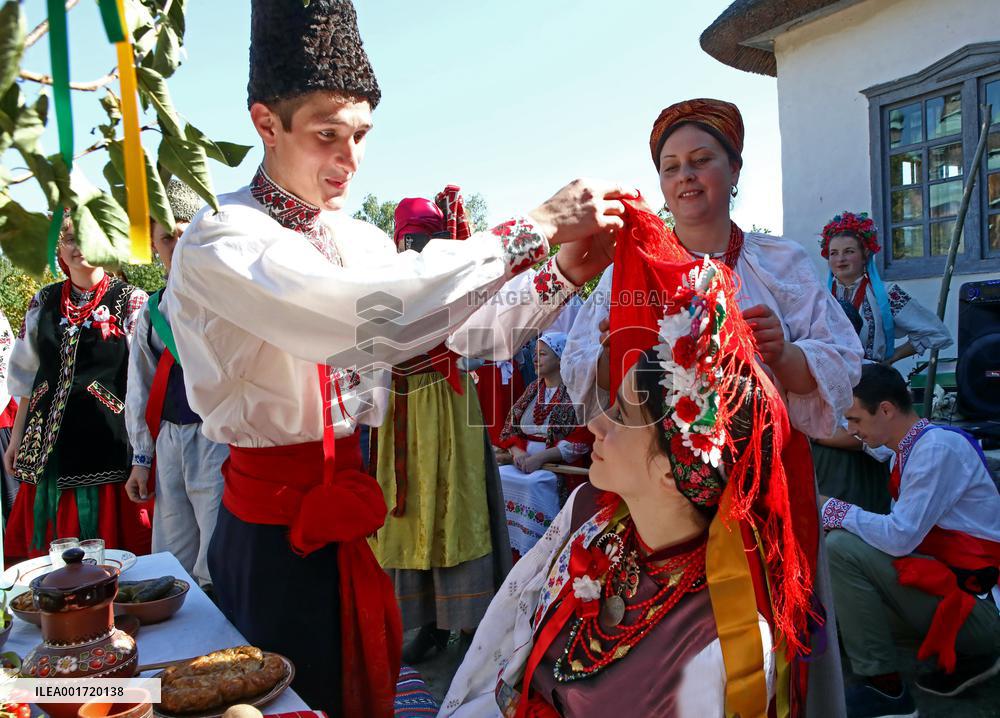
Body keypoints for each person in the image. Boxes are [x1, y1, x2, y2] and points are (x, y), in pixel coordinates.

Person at [163, 2, 631, 715]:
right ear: (266, 124)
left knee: (354, 690)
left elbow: (459, 339)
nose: (350, 161)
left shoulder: (357, 240)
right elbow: (357, 312)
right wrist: (530, 229)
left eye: (360, 137)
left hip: (349, 514)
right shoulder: (221, 238)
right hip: (268, 530)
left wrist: (562, 273)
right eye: (328, 136)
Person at [441, 201, 822, 717]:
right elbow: (498, 665)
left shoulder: (720, 642)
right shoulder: (590, 522)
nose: (595, 423)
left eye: (619, 414)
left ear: (672, 468)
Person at [561, 97, 862, 716]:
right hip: (656, 495)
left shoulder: (779, 264)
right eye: (671, 167)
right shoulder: (628, 271)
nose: (685, 177)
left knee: (764, 624)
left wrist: (784, 354)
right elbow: (579, 362)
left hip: (762, 488)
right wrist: (631, 352)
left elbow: (841, 361)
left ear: (734, 170)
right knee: (667, 646)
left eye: (701, 161)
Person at [370, 188, 514, 665]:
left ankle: (472, 624)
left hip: (448, 403)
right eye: (406, 239)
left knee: (459, 505)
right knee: (409, 514)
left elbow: (485, 338)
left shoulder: (457, 281)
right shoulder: (381, 281)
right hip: (401, 408)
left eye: (421, 238)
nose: (412, 248)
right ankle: (427, 624)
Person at [823, 363, 1000, 718]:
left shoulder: (936, 450)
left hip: (980, 608)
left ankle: (886, 689)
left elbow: (900, 537)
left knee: (840, 549)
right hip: (954, 586)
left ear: (886, 409)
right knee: (845, 613)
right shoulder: (909, 443)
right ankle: (970, 657)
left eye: (855, 419)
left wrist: (832, 509)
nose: (851, 429)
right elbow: (868, 447)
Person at [3, 216, 150, 559]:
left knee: (115, 549)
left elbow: (144, 380)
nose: (78, 246)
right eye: (69, 238)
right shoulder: (44, 302)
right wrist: (16, 438)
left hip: (109, 443)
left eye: (88, 235)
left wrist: (144, 451)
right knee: (51, 553)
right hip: (47, 450)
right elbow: (26, 376)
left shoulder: (130, 302)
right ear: (59, 248)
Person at [123, 179, 227, 589]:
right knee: (171, 549)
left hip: (215, 436)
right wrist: (141, 458)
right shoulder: (151, 310)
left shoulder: (224, 299)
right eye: (166, 238)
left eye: (183, 235)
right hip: (168, 438)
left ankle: (219, 641)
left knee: (215, 549)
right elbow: (140, 386)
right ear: (154, 246)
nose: (175, 246)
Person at [497, 331, 590, 559]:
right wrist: (516, 450)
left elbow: (584, 438)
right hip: (523, 463)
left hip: (556, 468)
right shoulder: (532, 390)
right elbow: (510, 426)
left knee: (535, 484)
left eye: (542, 354)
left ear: (559, 358)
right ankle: (508, 550)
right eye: (535, 354)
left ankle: (537, 551)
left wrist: (542, 457)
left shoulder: (575, 393)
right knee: (498, 476)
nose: (535, 360)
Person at [822, 211, 951, 365]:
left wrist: (892, 358)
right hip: (829, 382)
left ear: (865, 254)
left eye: (849, 251)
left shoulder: (886, 294)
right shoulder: (819, 297)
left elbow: (935, 332)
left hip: (871, 382)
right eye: (834, 253)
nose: (840, 259)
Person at [811, 300, 892, 514]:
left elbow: (881, 444)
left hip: (856, 478)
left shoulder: (872, 375)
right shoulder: (810, 373)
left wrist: (815, 434)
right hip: (820, 477)